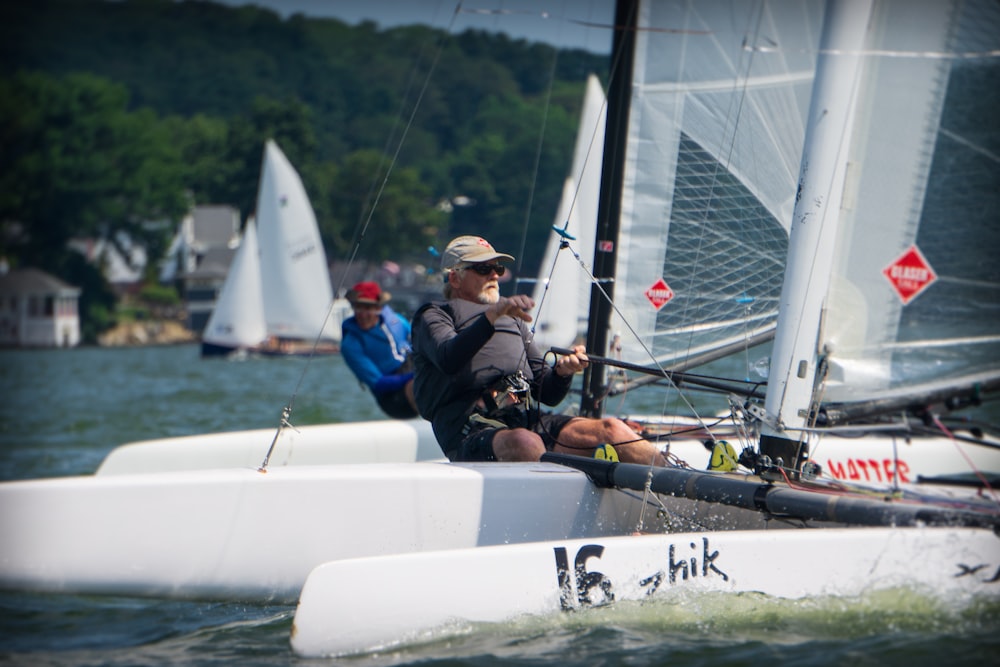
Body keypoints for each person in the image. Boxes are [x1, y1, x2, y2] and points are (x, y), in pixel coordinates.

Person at [411, 235, 667, 465]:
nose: (495, 275)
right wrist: (491, 316)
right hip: (468, 429)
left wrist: (563, 372)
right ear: (455, 277)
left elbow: (547, 393)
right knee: (525, 443)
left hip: (524, 419)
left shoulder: (511, 318)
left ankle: (681, 492)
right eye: (483, 268)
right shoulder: (434, 315)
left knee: (613, 430)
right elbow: (449, 358)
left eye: (498, 268)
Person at [341, 281, 418, 419]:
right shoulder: (350, 344)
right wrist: (417, 376)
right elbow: (378, 384)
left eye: (368, 308)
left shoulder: (397, 321)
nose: (362, 314)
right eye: (358, 308)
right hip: (393, 398)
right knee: (418, 384)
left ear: (378, 308)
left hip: (414, 371)